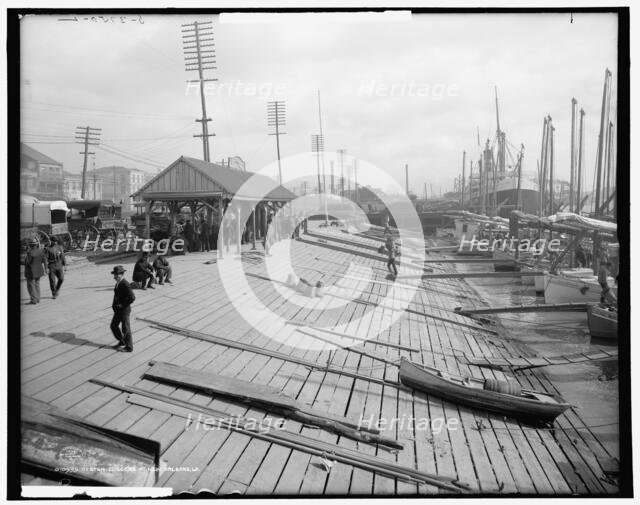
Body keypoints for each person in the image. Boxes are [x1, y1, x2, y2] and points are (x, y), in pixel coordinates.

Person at [110, 265, 135, 352]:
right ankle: (122, 341)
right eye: (114, 275)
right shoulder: (118, 282)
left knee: (126, 329)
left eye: (116, 275)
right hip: (118, 310)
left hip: (124, 311)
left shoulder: (125, 284)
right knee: (113, 326)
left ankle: (129, 347)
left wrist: (122, 305)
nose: (114, 277)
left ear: (121, 274)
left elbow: (132, 297)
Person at [24, 239, 47, 304]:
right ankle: (38, 299)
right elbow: (44, 260)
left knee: (31, 286)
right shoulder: (41, 251)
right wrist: (46, 268)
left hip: (31, 272)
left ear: (30, 245)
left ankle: (34, 300)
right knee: (37, 285)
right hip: (39, 271)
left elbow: (28, 262)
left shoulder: (30, 253)